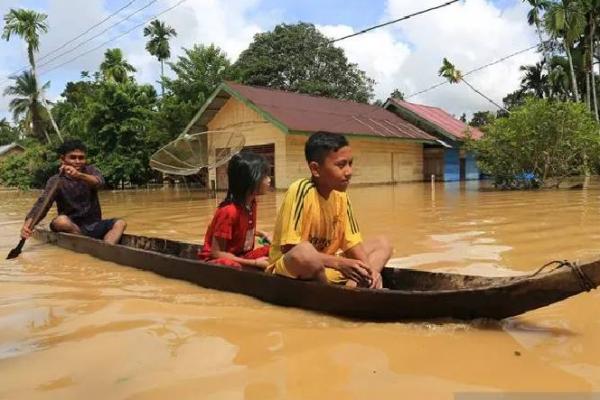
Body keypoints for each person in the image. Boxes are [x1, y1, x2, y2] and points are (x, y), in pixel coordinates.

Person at [267, 131, 392, 288]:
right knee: (305, 251)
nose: (349, 172)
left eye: (350, 164)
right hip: (294, 269)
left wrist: (369, 270)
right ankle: (333, 293)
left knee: (382, 244)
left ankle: (359, 285)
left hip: (327, 265)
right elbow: (290, 248)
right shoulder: (300, 190)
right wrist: (340, 263)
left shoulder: (341, 196)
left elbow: (352, 243)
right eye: (341, 165)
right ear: (315, 169)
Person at [20, 139, 127, 245]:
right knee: (61, 221)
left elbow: (99, 183)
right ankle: (88, 244)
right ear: (63, 159)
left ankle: (105, 249)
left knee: (120, 223)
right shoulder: (56, 181)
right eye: (73, 157)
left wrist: (79, 175)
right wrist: (27, 226)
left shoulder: (91, 171)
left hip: (94, 225)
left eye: (81, 158)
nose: (77, 161)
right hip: (70, 226)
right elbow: (42, 204)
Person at [197, 151, 272, 269]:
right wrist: (255, 263)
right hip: (217, 260)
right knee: (233, 265)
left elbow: (241, 228)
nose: (269, 180)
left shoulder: (251, 203)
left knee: (274, 250)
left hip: (242, 255)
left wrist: (262, 234)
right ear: (249, 181)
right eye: (264, 176)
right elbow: (216, 253)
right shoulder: (228, 211)